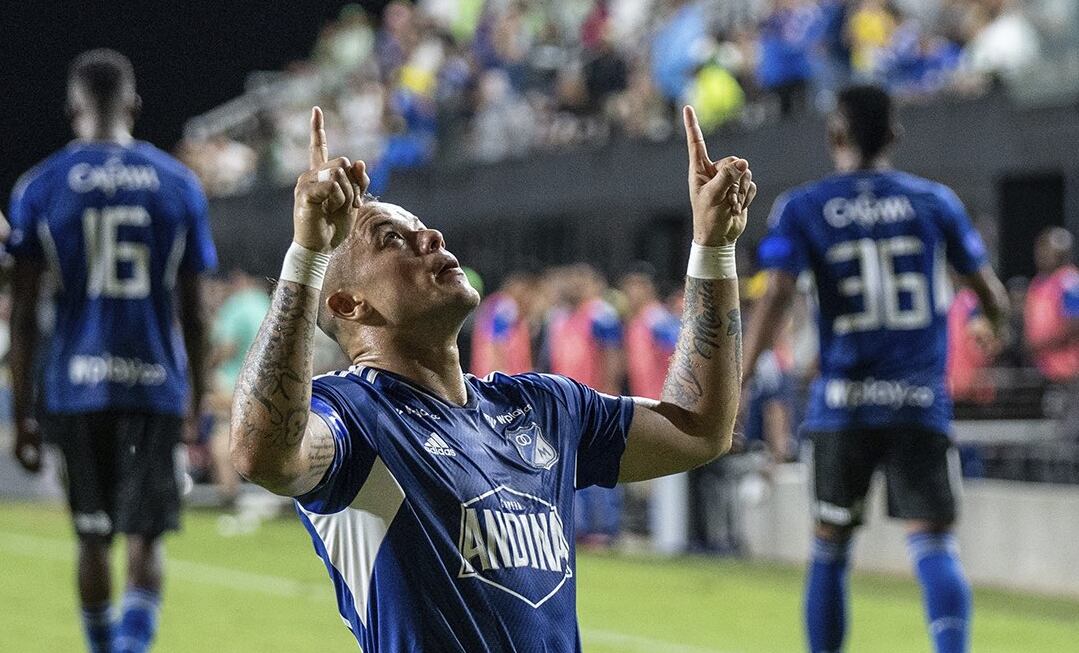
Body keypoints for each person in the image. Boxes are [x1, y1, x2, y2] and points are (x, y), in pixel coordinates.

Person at [229, 105, 755, 651]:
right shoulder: (354, 417)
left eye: (422, 228)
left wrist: (713, 248)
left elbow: (699, 428)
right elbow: (260, 453)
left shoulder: (544, 407)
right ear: (348, 304)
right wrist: (308, 255)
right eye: (393, 239)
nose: (431, 237)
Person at [743, 85, 1008, 653]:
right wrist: (995, 323)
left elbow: (778, 297)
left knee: (830, 543)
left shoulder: (802, 207)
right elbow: (988, 290)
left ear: (834, 133)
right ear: (894, 134)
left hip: (843, 403)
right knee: (934, 542)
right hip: (919, 401)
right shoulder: (934, 201)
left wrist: (741, 375)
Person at [7, 49, 217, 653]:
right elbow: (194, 311)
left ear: (73, 108)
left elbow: (23, 315)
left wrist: (23, 411)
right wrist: (197, 399)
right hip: (155, 385)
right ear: (134, 105)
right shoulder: (178, 184)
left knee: (92, 537)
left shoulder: (41, 185)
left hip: (76, 387)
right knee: (146, 537)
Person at [548, 263, 626, 546]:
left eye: (581, 280)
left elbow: (612, 356)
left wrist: (608, 395)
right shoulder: (560, 317)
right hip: (566, 402)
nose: (574, 285)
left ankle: (605, 526)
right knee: (570, 463)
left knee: (600, 459)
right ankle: (577, 527)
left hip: (595, 399)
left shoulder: (600, 315)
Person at [1025, 227, 1079, 386]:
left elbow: (1075, 323)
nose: (1042, 254)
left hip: (1068, 372)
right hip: (1042, 370)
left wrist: (1042, 343)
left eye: (1048, 249)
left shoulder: (1069, 281)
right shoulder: (1037, 284)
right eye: (1040, 248)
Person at [470, 269, 539, 377]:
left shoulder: (506, 309)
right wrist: (501, 376)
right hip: (498, 377)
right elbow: (496, 344)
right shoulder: (504, 307)